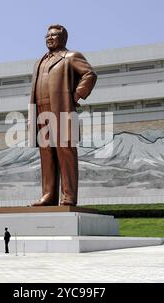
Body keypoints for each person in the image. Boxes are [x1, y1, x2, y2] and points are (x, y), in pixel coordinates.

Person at [29, 25, 97, 207]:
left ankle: (68, 196)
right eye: (47, 35)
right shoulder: (39, 61)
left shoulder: (71, 56)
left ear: (63, 38)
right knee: (46, 154)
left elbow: (89, 75)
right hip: (41, 111)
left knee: (65, 153)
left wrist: (76, 95)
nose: (49, 38)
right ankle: (48, 195)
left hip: (62, 110)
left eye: (54, 35)